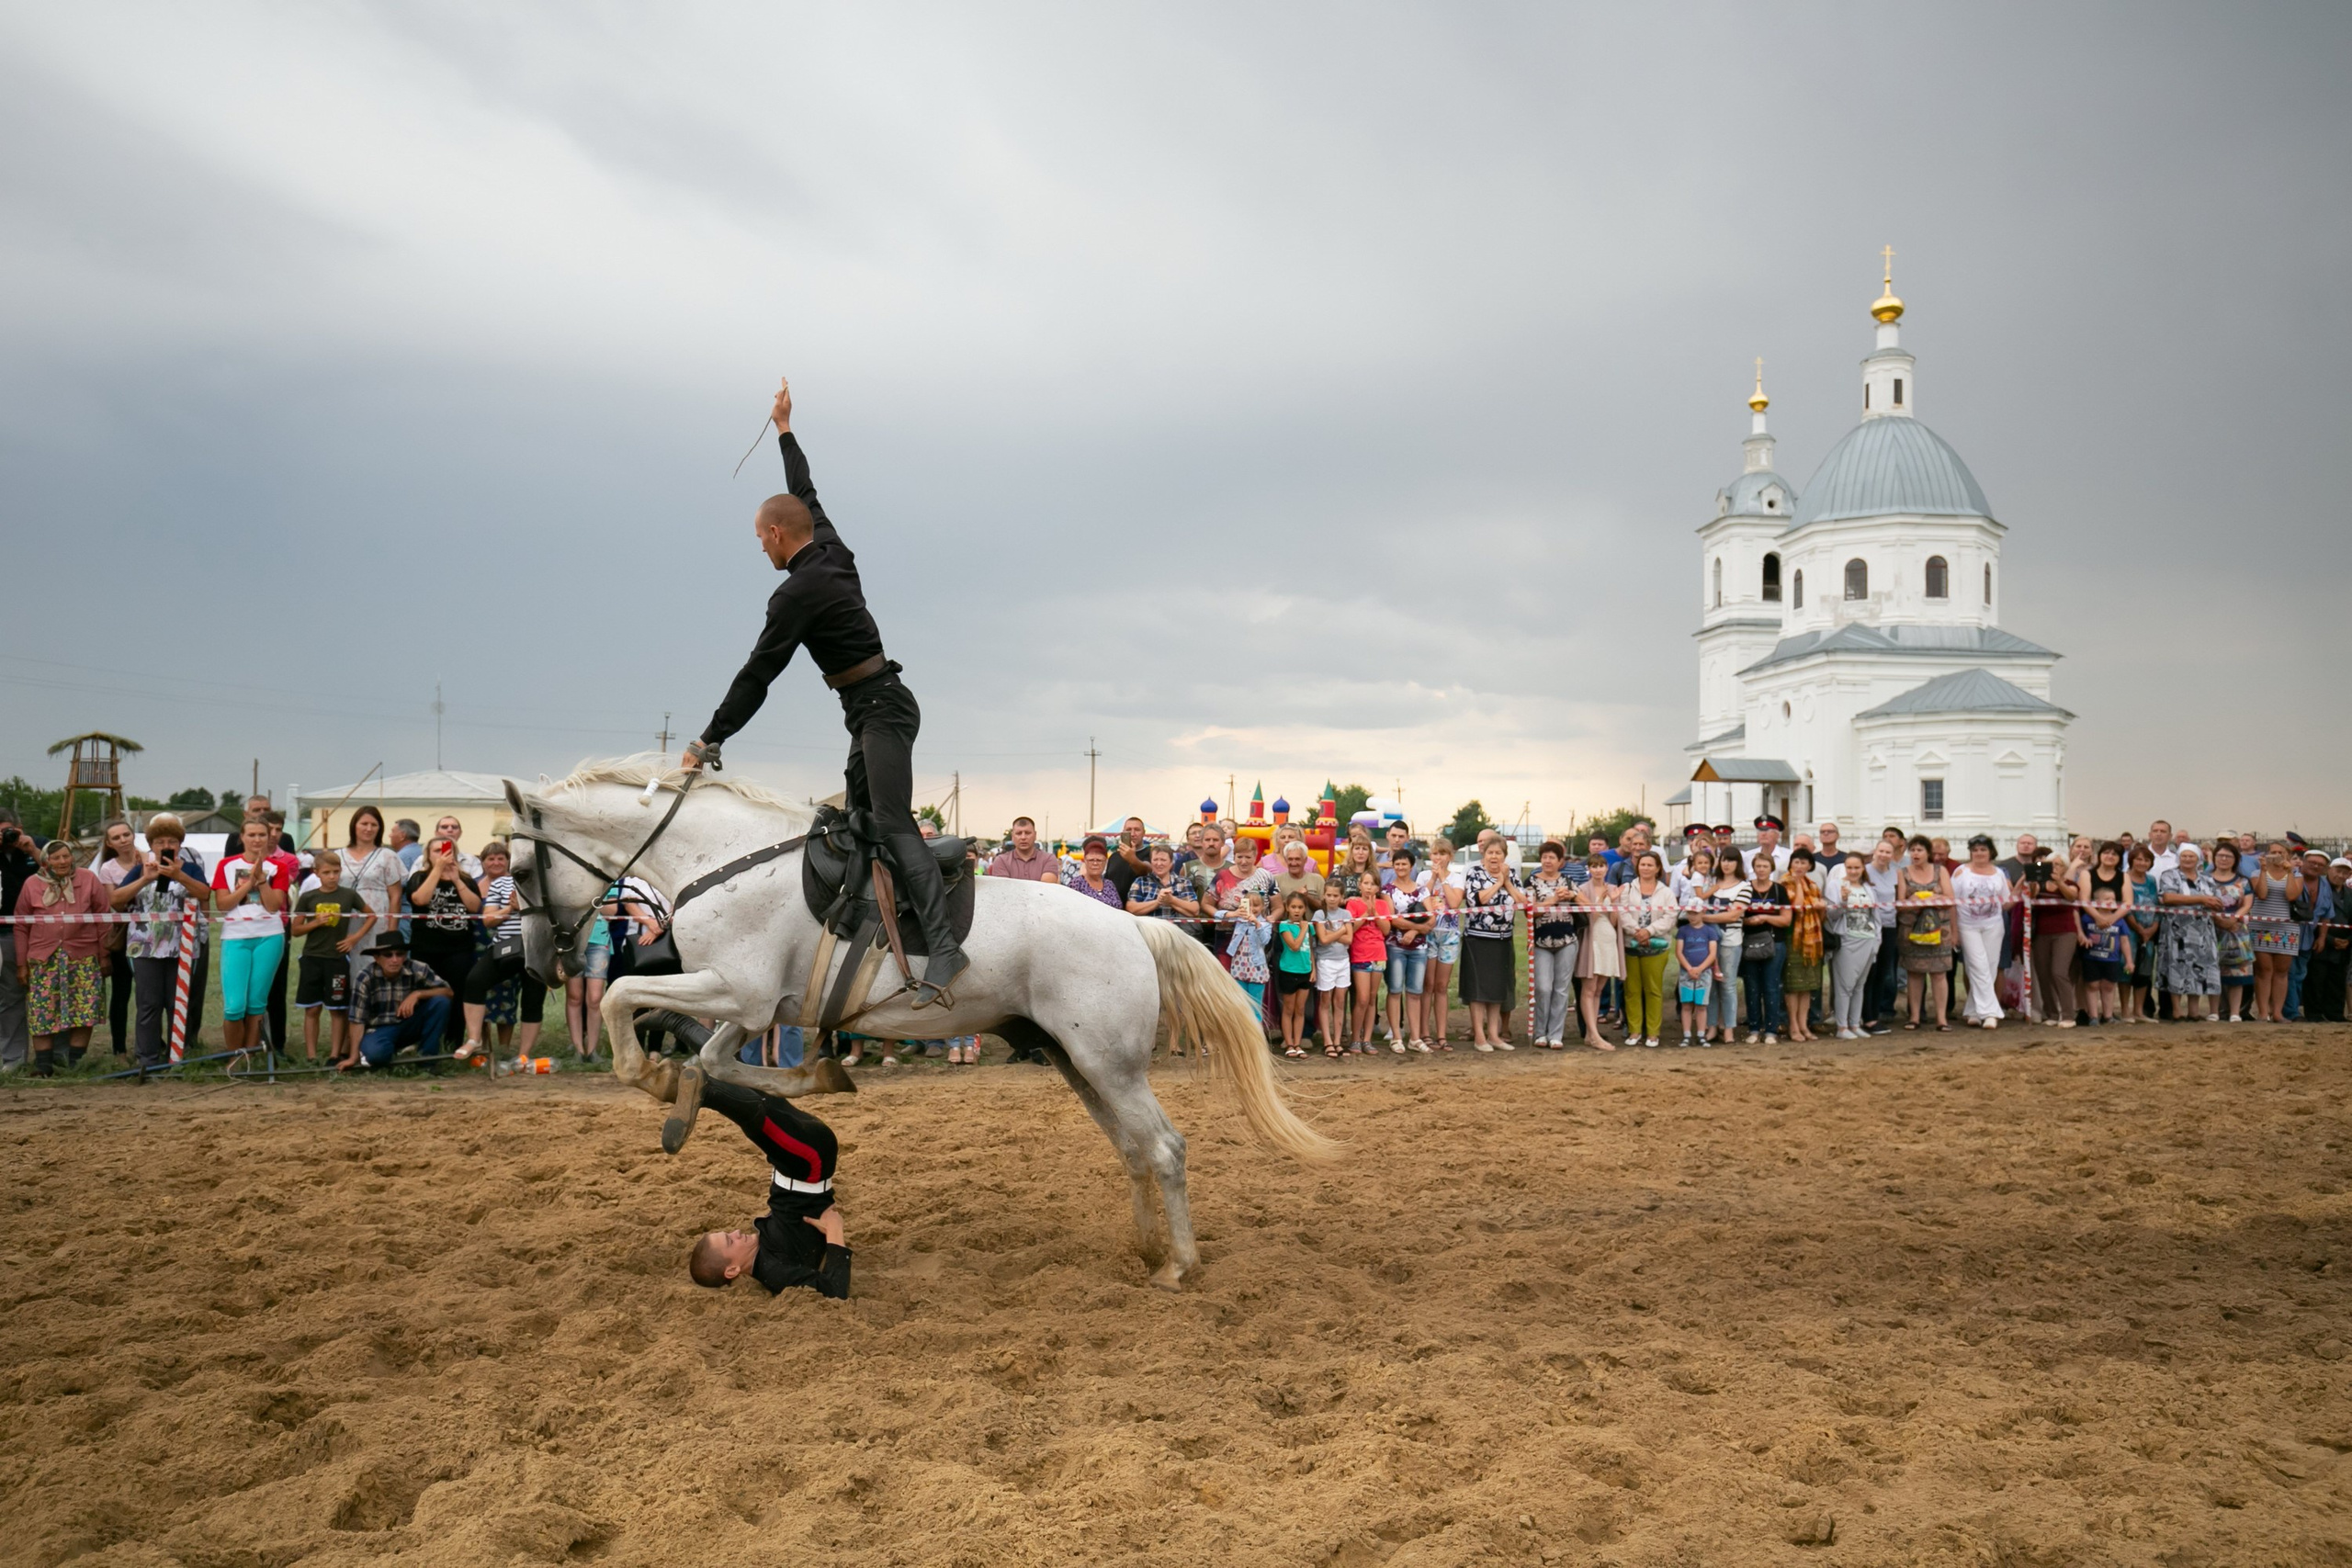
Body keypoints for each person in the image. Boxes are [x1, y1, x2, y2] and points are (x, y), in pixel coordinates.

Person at [681, 375, 968, 1006]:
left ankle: (947, 951)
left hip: (882, 711)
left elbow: (757, 674)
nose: (759, 546)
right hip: (871, 708)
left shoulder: (796, 593)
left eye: (760, 537)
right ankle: (866, 943)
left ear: (779, 535)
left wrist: (709, 738)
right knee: (855, 822)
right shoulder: (830, 545)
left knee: (891, 824)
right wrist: (784, 428)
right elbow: (804, 489)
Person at [685, 1078, 853, 1297]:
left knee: (754, 1084)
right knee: (757, 1118)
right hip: (810, 1163)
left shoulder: (765, 1251)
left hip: (797, 1165)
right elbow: (835, 1291)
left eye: (729, 1234)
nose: (736, 1232)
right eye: (730, 1240)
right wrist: (835, 1232)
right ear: (732, 1270)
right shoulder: (774, 1273)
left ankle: (708, 1066)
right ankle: (706, 1090)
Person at [112, 814, 210, 1067]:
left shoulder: (190, 868)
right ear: (151, 845)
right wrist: (145, 879)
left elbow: (204, 893)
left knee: (178, 1003)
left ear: (180, 844)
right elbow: (116, 900)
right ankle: (147, 1058)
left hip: (184, 947)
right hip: (145, 947)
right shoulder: (139, 869)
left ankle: (178, 1056)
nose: (165, 845)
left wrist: (180, 876)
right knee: (148, 1003)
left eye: (171, 841)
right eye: (159, 841)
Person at [12, 839, 108, 1073]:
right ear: (46, 861)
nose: (62, 861)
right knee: (42, 1010)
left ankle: (75, 1065)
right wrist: (22, 964)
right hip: (43, 958)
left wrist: (104, 956)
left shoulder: (88, 879)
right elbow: (21, 925)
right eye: (56, 858)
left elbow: (103, 918)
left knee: (84, 1009)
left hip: (83, 957)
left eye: (66, 856)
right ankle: (44, 1066)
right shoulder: (32, 884)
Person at [454, 841, 548, 1063]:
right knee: (474, 981)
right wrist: (510, 908)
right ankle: (474, 1039)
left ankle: (524, 1055)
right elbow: (488, 920)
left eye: (502, 858)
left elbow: (548, 917)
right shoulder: (500, 884)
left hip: (537, 947)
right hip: (505, 946)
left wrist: (525, 906)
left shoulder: (543, 883)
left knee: (533, 1000)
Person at [210, 819, 291, 1058]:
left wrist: (263, 880)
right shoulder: (226, 865)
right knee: (234, 1006)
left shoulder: (279, 867)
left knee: (257, 1003)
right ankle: (234, 1056)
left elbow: (274, 905)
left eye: (262, 835)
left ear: (269, 838)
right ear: (242, 837)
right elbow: (223, 904)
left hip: (269, 936)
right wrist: (249, 883)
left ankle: (250, 1056)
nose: (257, 839)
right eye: (252, 834)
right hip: (236, 937)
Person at [288, 850, 368, 1064]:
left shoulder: (348, 895)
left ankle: (334, 1054)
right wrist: (316, 922)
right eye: (327, 872)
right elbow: (295, 930)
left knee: (337, 1009)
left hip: (337, 959)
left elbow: (370, 914)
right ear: (316, 873)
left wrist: (355, 937)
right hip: (312, 957)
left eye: (336, 872)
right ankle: (312, 1055)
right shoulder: (308, 897)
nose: (332, 876)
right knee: (312, 1008)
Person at [403, 834, 481, 1053]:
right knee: (425, 994)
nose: (442, 854)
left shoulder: (466, 879)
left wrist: (456, 879)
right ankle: (422, 1041)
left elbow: (475, 907)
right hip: (426, 948)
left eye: (446, 850)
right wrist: (437, 870)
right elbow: (420, 900)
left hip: (459, 949)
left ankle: (453, 1041)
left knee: (457, 995)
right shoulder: (419, 877)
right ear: (428, 855)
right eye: (436, 850)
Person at [347, 931, 454, 1067]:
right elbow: (357, 1020)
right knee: (377, 1055)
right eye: (388, 955)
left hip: (409, 1024)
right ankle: (385, 1051)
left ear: (405, 956)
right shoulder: (365, 978)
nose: (395, 959)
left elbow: (448, 992)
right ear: (376, 958)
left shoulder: (418, 968)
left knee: (441, 1002)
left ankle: (427, 1060)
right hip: (379, 1029)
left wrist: (417, 994)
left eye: (400, 954)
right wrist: (353, 1055)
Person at [1459, 837, 1522, 1053]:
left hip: (1502, 939)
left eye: (1498, 853)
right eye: (1490, 853)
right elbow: (1478, 900)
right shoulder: (1474, 873)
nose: (1494, 857)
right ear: (1484, 855)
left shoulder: (1511, 874)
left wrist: (1507, 883)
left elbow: (1522, 901)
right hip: (1478, 938)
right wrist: (1498, 883)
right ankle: (1479, 1036)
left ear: (1505, 855)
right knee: (1478, 989)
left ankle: (1494, 1035)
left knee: (1497, 989)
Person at [91, 819, 145, 1055]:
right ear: (109, 843)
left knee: (149, 993)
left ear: (133, 836)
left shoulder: (150, 859)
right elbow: (117, 901)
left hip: (151, 933)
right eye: (117, 837)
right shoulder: (108, 869)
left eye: (126, 834)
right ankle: (119, 1048)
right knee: (121, 993)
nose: (123, 840)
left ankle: (153, 1042)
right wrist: (139, 876)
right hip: (123, 934)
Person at [2155, 842, 2222, 1022]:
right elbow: (2168, 897)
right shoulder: (2170, 875)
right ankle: (2177, 1011)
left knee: (2200, 969)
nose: (2187, 859)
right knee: (2176, 968)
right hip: (2177, 931)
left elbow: (2216, 900)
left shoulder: (2207, 879)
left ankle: (2194, 1012)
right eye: (2184, 856)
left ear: (2198, 859)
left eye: (2191, 856)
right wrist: (2201, 899)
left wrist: (2214, 903)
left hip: (2203, 932)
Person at [1617, 851, 1678, 1049]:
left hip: (1657, 947)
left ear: (1658, 868)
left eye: (1650, 865)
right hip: (1631, 945)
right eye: (1643, 864)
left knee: (1653, 990)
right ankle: (1635, 1030)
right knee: (1632, 990)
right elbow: (1622, 912)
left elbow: (1670, 917)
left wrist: (1649, 931)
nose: (1646, 868)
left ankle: (1653, 1033)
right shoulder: (1627, 888)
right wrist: (1636, 931)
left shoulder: (1666, 892)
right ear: (1638, 866)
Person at [1894, 835, 1954, 1031]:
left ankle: (1941, 1019)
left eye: (1919, 850)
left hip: (1939, 930)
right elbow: (1900, 903)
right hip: (1912, 930)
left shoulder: (1941, 871)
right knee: (1914, 974)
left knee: (1939, 974)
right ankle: (1914, 1017)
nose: (1915, 854)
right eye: (1912, 850)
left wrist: (1933, 898)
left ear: (1928, 853)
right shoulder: (1903, 872)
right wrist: (1913, 901)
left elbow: (1950, 898)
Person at [1526, 840, 1581, 1049]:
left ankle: (1556, 1034)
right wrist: (1552, 900)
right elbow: (1530, 911)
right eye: (1544, 857)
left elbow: (1586, 905)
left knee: (1561, 989)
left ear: (1560, 862)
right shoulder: (1531, 882)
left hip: (1567, 940)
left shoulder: (1568, 881)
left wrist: (1573, 895)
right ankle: (1540, 1033)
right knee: (1543, 987)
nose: (1547, 861)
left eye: (1552, 857)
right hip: (1541, 942)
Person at [1826, 852, 1882, 1040]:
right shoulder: (1836, 885)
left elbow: (1875, 916)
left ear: (1863, 868)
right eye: (1849, 867)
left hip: (1867, 938)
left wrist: (1877, 940)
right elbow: (1831, 915)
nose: (1853, 871)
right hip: (1847, 940)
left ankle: (1854, 1023)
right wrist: (1842, 901)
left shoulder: (1868, 887)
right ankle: (1842, 1026)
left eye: (1857, 867)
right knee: (1844, 986)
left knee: (1859, 985)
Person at [2247, 842, 2304, 1024]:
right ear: (2267, 854)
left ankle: (2278, 1013)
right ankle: (2263, 1012)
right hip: (2261, 925)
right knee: (2264, 970)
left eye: (2281, 852)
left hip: (2286, 928)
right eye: (2273, 852)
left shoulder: (2296, 874)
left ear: (2287, 855)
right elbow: (2262, 894)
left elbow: (2291, 896)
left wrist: (2289, 872)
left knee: (2281, 972)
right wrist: (2264, 870)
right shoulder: (2256, 873)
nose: (2277, 855)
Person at [1383, 850, 1434, 1052]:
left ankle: (1415, 1037)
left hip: (1419, 947)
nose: (1401, 868)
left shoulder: (1423, 891)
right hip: (1395, 946)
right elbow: (1391, 918)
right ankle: (1396, 1036)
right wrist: (1416, 928)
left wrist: (1414, 931)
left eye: (1404, 864)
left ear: (1411, 866)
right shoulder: (1387, 891)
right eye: (1397, 864)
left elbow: (1431, 917)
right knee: (1394, 990)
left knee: (1415, 992)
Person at [1739, 851, 1792, 1043]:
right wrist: (1748, 921)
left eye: (1765, 866)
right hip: (1750, 942)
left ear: (1771, 868)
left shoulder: (1779, 890)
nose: (1761, 870)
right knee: (1752, 986)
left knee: (1771, 986)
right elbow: (1738, 915)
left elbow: (1786, 919)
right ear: (1753, 868)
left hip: (1774, 942)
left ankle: (1771, 1029)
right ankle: (1754, 1028)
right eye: (1758, 866)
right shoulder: (1745, 889)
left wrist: (1764, 917)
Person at [1700, 854, 1749, 1046]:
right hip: (1707, 942)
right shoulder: (1711, 883)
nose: (1727, 864)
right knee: (1710, 985)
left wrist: (1705, 919)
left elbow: (1734, 915)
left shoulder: (1744, 886)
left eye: (1731, 860)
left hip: (1731, 941)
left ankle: (1729, 1028)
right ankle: (1712, 1026)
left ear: (1738, 863)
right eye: (1724, 860)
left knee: (1727, 985)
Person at [1777, 848, 1826, 1043]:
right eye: (1796, 862)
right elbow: (1796, 906)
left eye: (1803, 863)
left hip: (1811, 941)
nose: (1799, 866)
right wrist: (1797, 883)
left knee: (1807, 986)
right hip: (1792, 938)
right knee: (1793, 986)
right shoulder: (1784, 882)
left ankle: (1804, 1024)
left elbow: (1821, 918)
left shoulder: (1813, 885)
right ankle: (1793, 1026)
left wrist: (1821, 908)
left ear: (1810, 866)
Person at [1575, 852, 1622, 1049]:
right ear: (1589, 869)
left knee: (1599, 989)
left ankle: (1591, 1034)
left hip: (1608, 939)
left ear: (1606, 868)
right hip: (1591, 940)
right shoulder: (1582, 890)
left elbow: (1613, 921)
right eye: (1594, 866)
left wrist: (1614, 903)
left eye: (1601, 866)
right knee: (1589, 988)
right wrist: (1601, 900)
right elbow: (1588, 919)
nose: (1598, 870)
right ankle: (1592, 1034)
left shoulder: (1613, 888)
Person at [1421, 838, 1465, 1048]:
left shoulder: (1457, 878)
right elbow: (1420, 899)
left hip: (1448, 934)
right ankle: (1424, 1032)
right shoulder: (1423, 875)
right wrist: (1432, 877)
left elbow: (1455, 902)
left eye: (1443, 853)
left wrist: (1443, 879)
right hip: (1428, 933)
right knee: (1427, 985)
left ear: (1450, 856)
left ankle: (1441, 1035)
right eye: (1435, 853)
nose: (1438, 858)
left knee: (1441, 986)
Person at [2207, 842, 2256, 1022]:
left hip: (2237, 930)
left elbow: (2248, 904)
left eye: (2228, 856)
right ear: (2214, 858)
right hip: (2211, 928)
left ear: (2235, 860)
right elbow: (2202, 901)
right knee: (2213, 970)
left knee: (2237, 972)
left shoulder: (2243, 881)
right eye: (2220, 856)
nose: (2224, 859)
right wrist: (2218, 919)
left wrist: (2233, 919)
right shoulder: (2205, 879)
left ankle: (2235, 1012)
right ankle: (2214, 1011)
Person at [1345, 872, 1393, 1054]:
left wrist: (1376, 914)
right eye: (1365, 883)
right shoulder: (1353, 904)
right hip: (1360, 954)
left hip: (1378, 954)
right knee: (1362, 998)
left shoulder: (1382, 904)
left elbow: (1386, 930)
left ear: (1377, 888)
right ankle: (1355, 1038)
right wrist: (1365, 914)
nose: (1368, 887)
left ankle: (1367, 1039)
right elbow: (1351, 928)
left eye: (1372, 884)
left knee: (1372, 998)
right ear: (1360, 885)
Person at [2304, 858, 2352, 1024]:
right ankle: (2314, 1013)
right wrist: (2330, 939)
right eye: (2338, 871)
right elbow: (2314, 916)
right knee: (2317, 978)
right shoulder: (2319, 888)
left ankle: (2335, 1013)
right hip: (2321, 940)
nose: (2340, 875)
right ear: (2329, 870)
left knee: (2337, 981)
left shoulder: (2350, 894)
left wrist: (2348, 941)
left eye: (2345, 872)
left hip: (2344, 944)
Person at [1310, 880, 1354, 1056]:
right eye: (1329, 895)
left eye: (1336, 895)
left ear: (1342, 897)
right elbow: (1323, 940)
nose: (1332, 898)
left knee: (1340, 1001)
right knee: (1325, 1000)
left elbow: (1349, 940)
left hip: (1343, 960)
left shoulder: (1346, 913)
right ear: (1324, 896)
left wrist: (1333, 933)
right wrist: (1341, 931)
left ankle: (1337, 1041)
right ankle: (1327, 1041)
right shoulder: (1320, 914)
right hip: (1326, 961)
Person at [1272, 890, 1316, 1057]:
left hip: (1305, 971)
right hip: (1289, 971)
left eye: (1300, 907)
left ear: (1305, 909)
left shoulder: (1307, 926)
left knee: (1300, 1009)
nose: (1297, 911)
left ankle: (1298, 1044)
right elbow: (1295, 946)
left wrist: (1314, 969)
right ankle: (1289, 1043)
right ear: (1287, 908)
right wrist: (1304, 929)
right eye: (1293, 907)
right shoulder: (1284, 926)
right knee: (1288, 1008)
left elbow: (1310, 948)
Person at [1674, 891, 1720, 1048]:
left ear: (1703, 912)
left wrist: (1700, 969)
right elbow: (1679, 951)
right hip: (1686, 973)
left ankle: (1701, 1034)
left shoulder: (1710, 931)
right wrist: (1689, 968)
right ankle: (1687, 1034)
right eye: (1690, 913)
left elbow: (1712, 953)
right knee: (1686, 1004)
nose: (1692, 916)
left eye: (1695, 913)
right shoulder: (1683, 931)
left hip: (1704, 973)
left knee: (1701, 1005)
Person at [2080, 889, 2131, 1025]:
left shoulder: (2119, 920)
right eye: (2107, 899)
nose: (2111, 902)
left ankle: (2108, 1016)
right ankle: (2093, 1016)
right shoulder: (2087, 918)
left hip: (2112, 959)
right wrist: (2085, 939)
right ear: (2096, 903)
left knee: (2109, 986)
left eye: (2113, 899)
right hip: (2091, 959)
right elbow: (2080, 934)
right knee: (2092, 985)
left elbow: (2125, 941)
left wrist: (2129, 961)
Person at [1225, 892, 1273, 1021]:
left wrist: (1257, 924)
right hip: (1238, 968)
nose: (1252, 909)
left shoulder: (1266, 924)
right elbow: (1218, 915)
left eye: (1256, 905)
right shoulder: (1239, 921)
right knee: (1241, 1006)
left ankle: (1257, 1037)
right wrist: (1234, 914)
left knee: (1255, 1008)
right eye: (1248, 905)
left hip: (1256, 970)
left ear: (1263, 906)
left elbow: (1265, 940)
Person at [1125, 842, 1196, 924]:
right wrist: (1157, 902)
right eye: (1155, 860)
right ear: (1151, 862)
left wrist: (1172, 900)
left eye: (1163, 860)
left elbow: (1194, 910)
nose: (1159, 864)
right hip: (1149, 932)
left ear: (1171, 863)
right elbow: (1131, 909)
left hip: (1176, 933)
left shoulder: (1183, 882)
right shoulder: (1141, 882)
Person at [988, 818, 1059, 883]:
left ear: (1035, 835)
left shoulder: (1049, 859)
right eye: (1019, 833)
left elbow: (1047, 889)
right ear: (1012, 837)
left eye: (1028, 833)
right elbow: (1004, 890)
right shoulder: (1001, 861)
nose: (1023, 837)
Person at [1066, 836, 1124, 909]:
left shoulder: (1109, 885)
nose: (1095, 863)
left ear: (1105, 862)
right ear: (1085, 861)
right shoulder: (1076, 884)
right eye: (1091, 860)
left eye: (1099, 860)